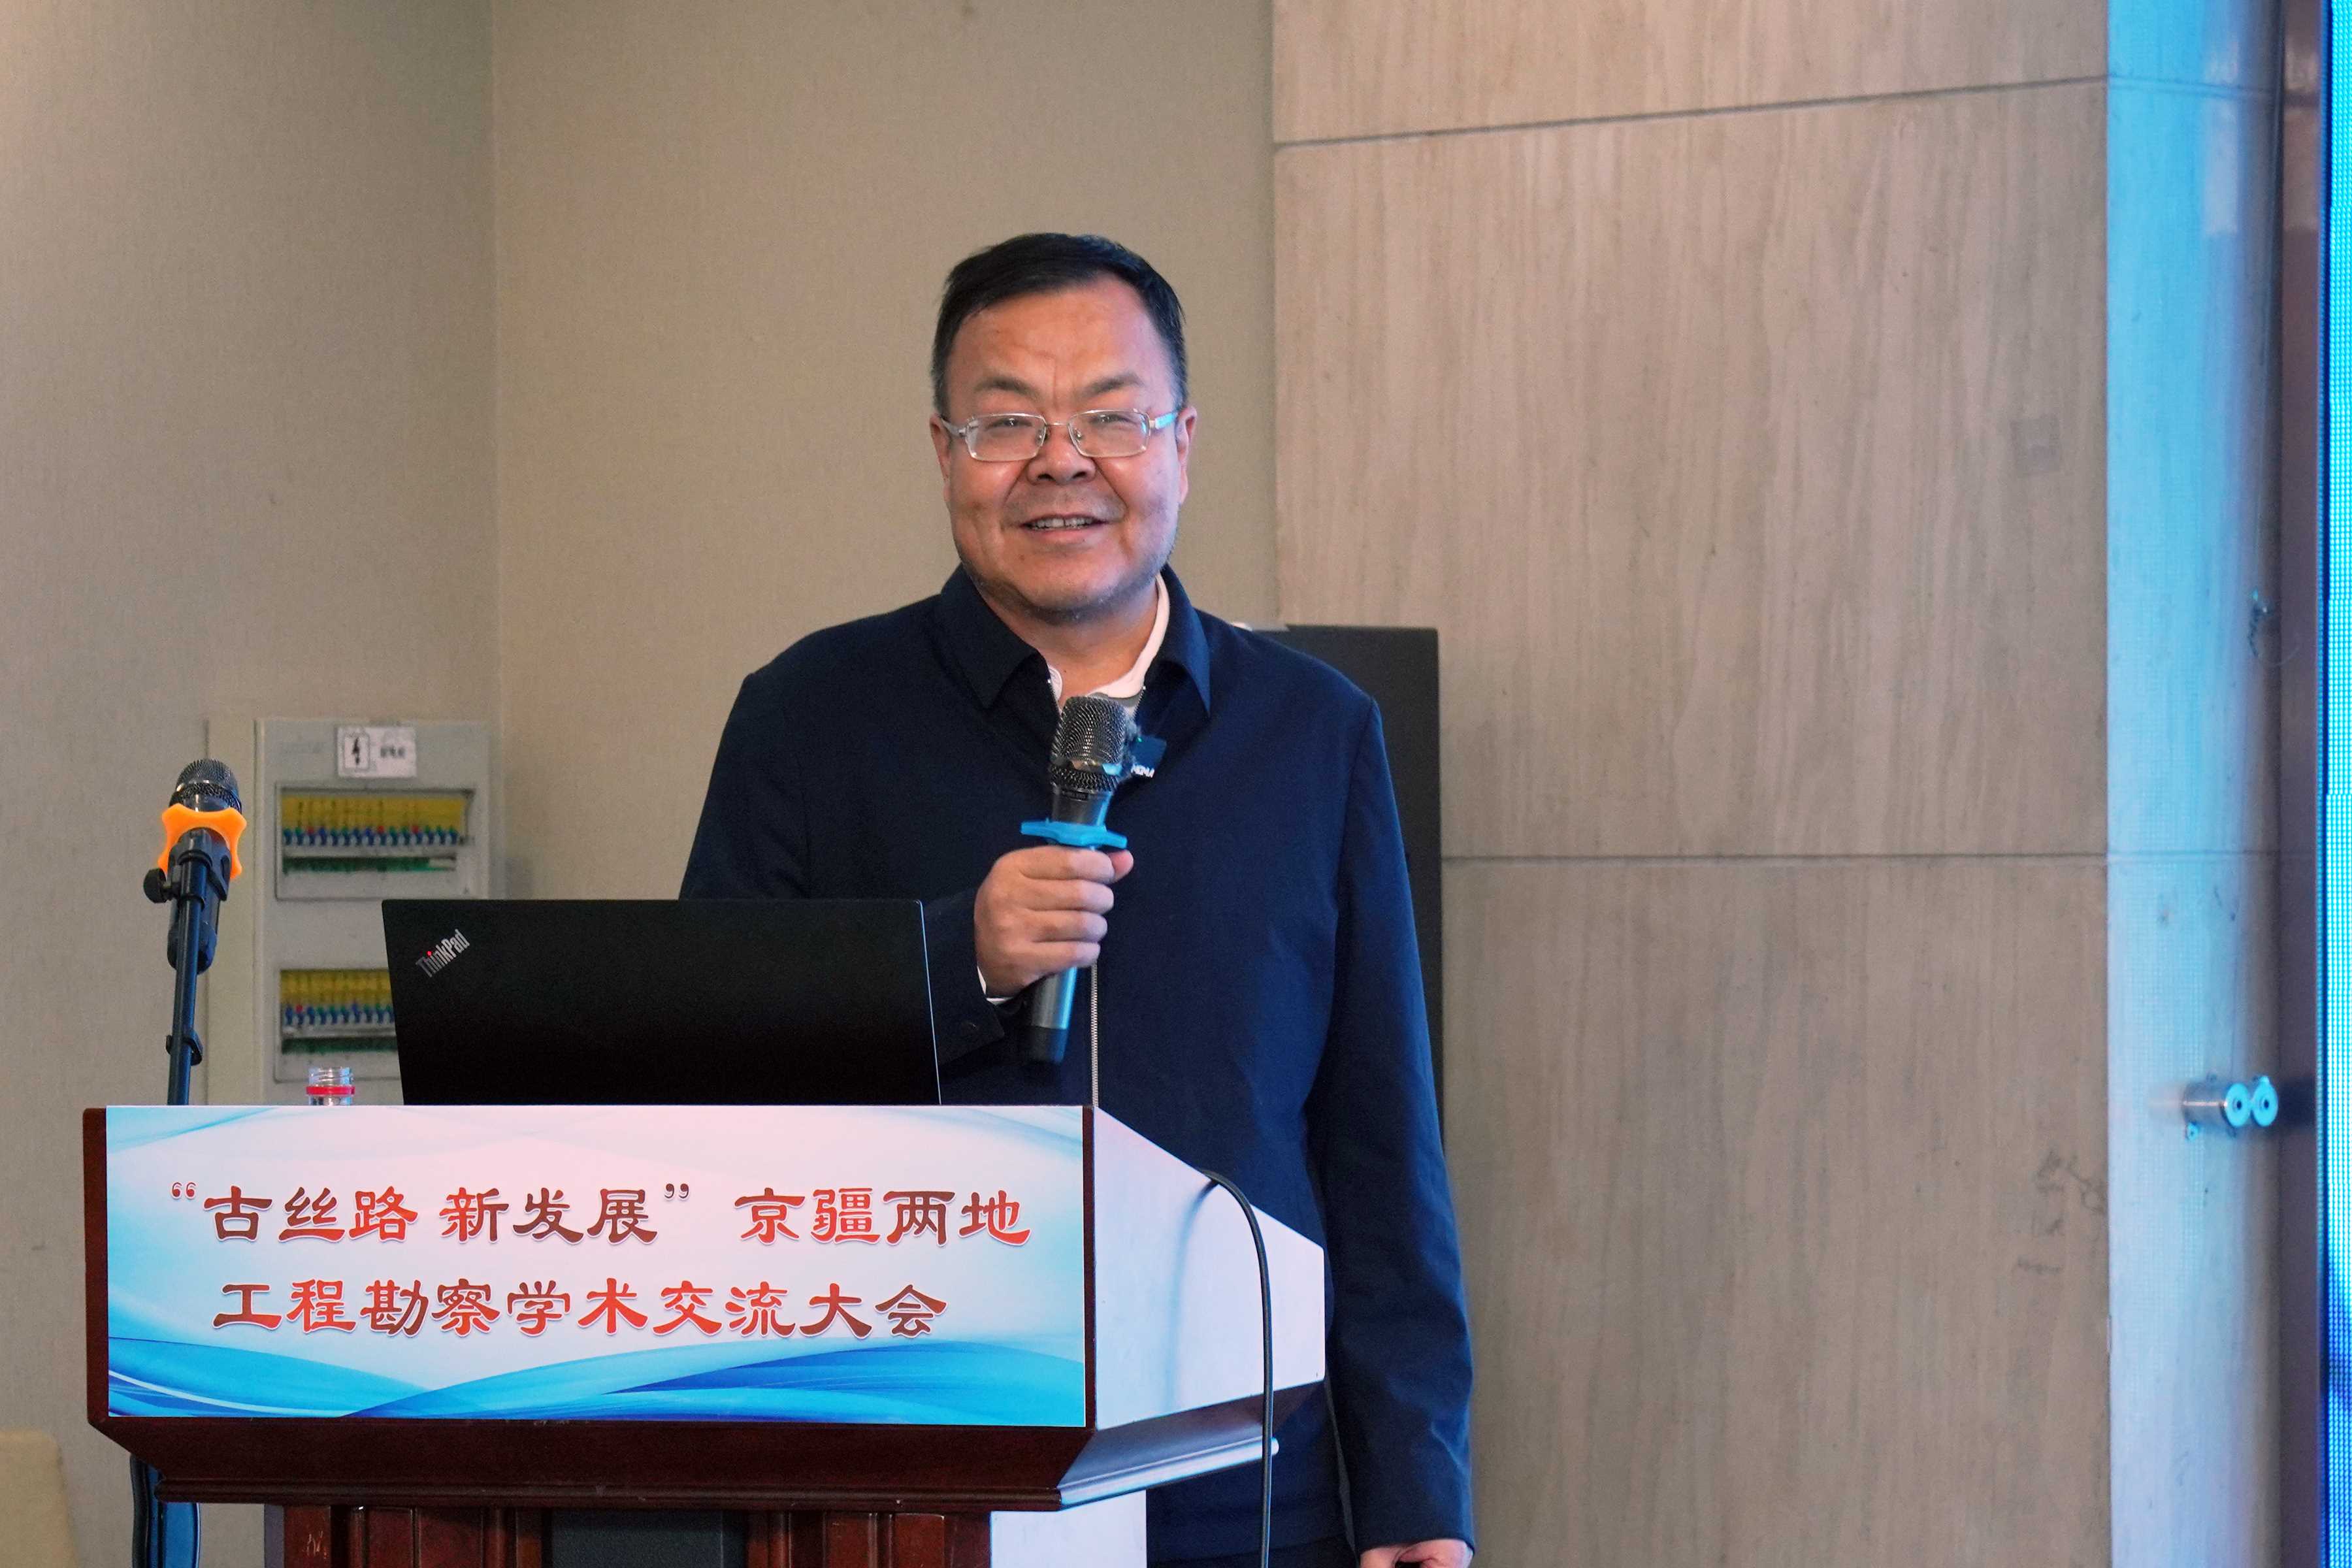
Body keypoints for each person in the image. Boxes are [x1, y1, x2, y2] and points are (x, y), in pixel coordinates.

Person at [681, 233, 1473, 1568]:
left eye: (1112, 416)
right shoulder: (809, 717)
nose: (1062, 461)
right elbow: (698, 1074)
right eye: (1008, 423)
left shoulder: (1313, 733)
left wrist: (1416, 1490)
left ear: (1182, 444)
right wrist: (954, 961)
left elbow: (1380, 1140)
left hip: (1245, 1488)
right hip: (908, 1473)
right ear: (944, 453)